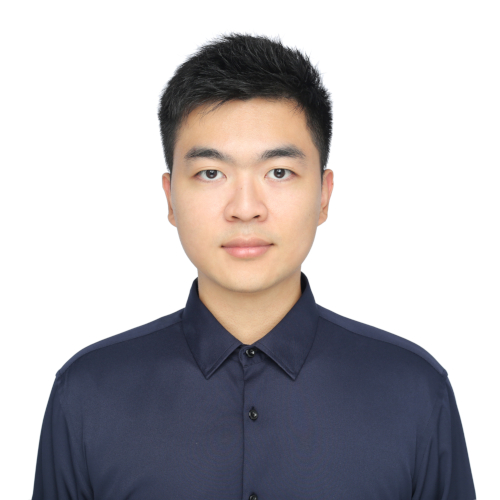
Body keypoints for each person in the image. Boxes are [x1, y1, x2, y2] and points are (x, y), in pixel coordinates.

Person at [31, 34, 476, 500]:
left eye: (279, 172)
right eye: (211, 173)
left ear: (324, 195)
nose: (245, 208)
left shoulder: (414, 392)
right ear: (170, 198)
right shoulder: (87, 395)